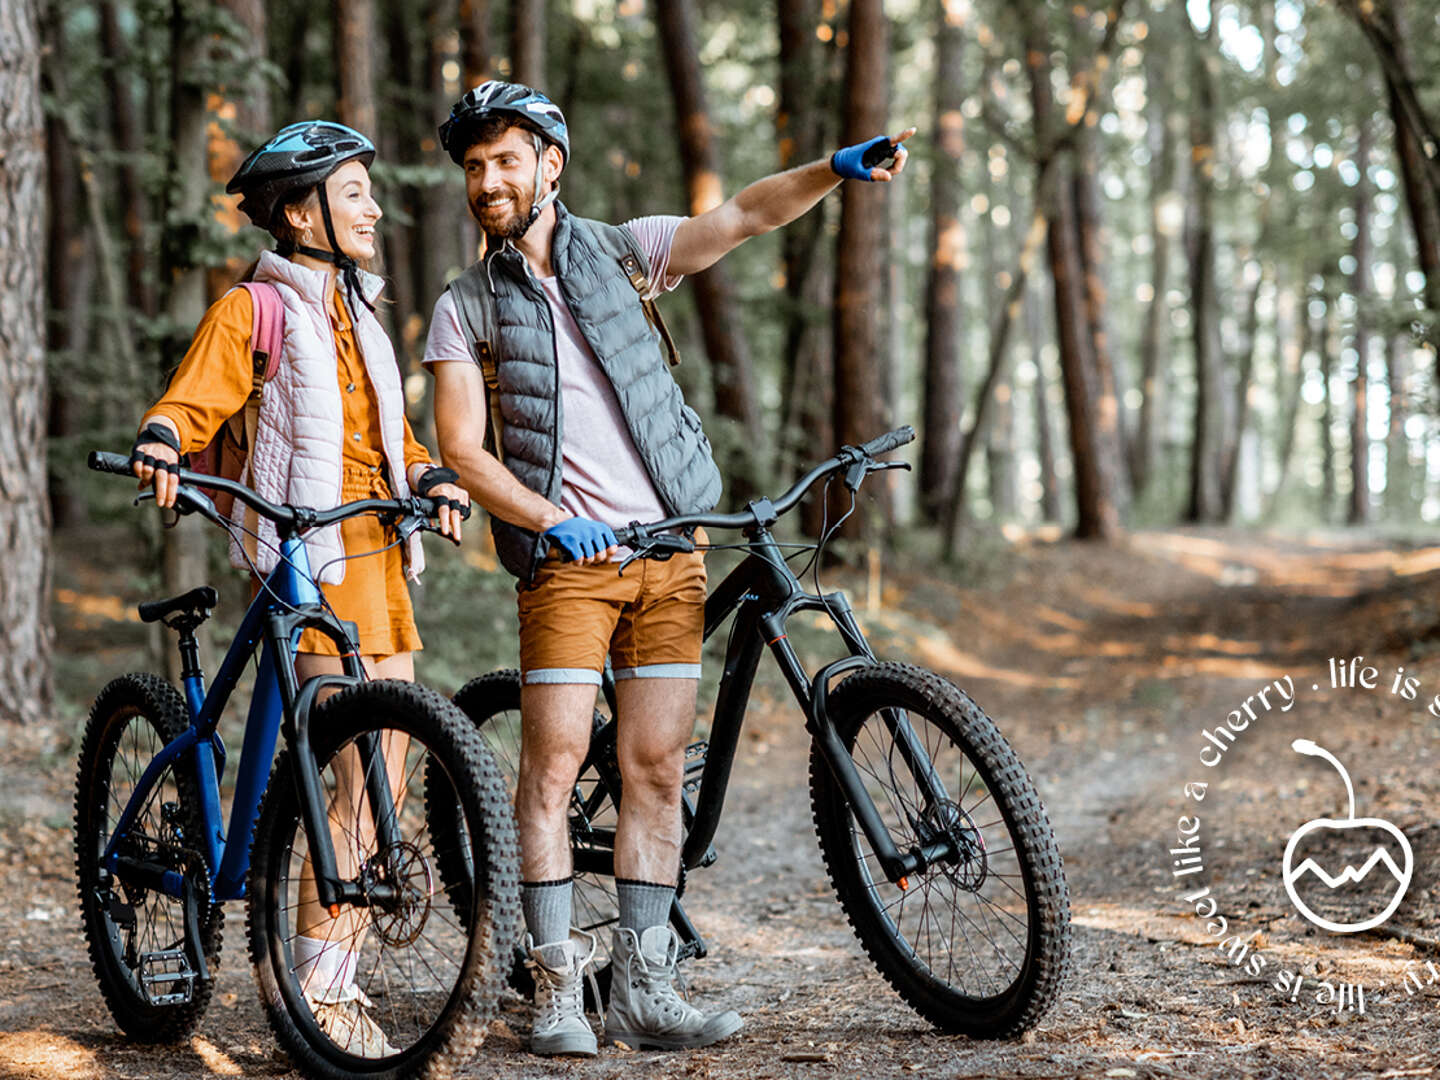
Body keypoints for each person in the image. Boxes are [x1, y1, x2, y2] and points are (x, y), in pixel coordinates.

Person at [423, 80, 912, 1057]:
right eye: (475, 166)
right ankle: (558, 992)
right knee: (553, 766)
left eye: (506, 160)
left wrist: (833, 170)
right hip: (568, 567)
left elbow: (738, 215)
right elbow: (464, 452)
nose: (488, 180)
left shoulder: (618, 251)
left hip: (669, 555)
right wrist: (548, 521)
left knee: (650, 770)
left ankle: (645, 988)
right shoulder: (462, 307)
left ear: (549, 166)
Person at [129, 120, 470, 1059]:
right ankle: (320, 996)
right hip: (308, 556)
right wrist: (161, 438)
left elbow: (387, 434)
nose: (373, 207)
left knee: (388, 768)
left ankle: (333, 974)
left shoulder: (363, 309)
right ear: (298, 211)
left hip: (380, 552)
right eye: (353, 192)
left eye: (370, 189)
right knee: (354, 772)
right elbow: (193, 397)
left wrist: (429, 474)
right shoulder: (256, 308)